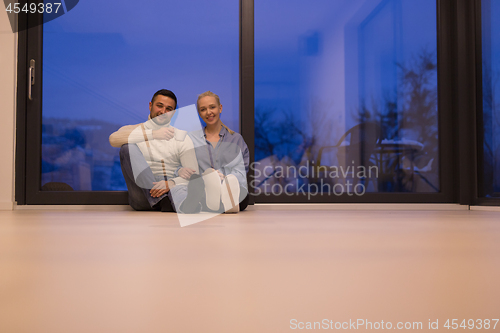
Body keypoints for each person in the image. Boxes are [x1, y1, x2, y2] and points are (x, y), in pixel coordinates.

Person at [109, 89, 200, 213]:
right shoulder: (134, 130)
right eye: (159, 106)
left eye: (169, 109)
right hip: (142, 196)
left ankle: (185, 205)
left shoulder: (181, 137)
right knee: (127, 148)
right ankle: (162, 201)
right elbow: (113, 139)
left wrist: (171, 183)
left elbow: (193, 175)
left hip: (172, 191)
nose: (163, 112)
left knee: (181, 187)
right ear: (150, 105)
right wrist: (153, 134)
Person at [176, 91, 250, 213]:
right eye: (203, 109)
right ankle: (221, 205)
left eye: (212, 107)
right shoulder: (191, 139)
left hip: (231, 188)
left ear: (220, 108)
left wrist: (223, 177)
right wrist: (179, 170)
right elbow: (182, 164)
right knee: (195, 193)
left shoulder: (236, 139)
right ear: (199, 113)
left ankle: (215, 205)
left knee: (242, 194)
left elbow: (241, 173)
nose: (208, 112)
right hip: (204, 191)